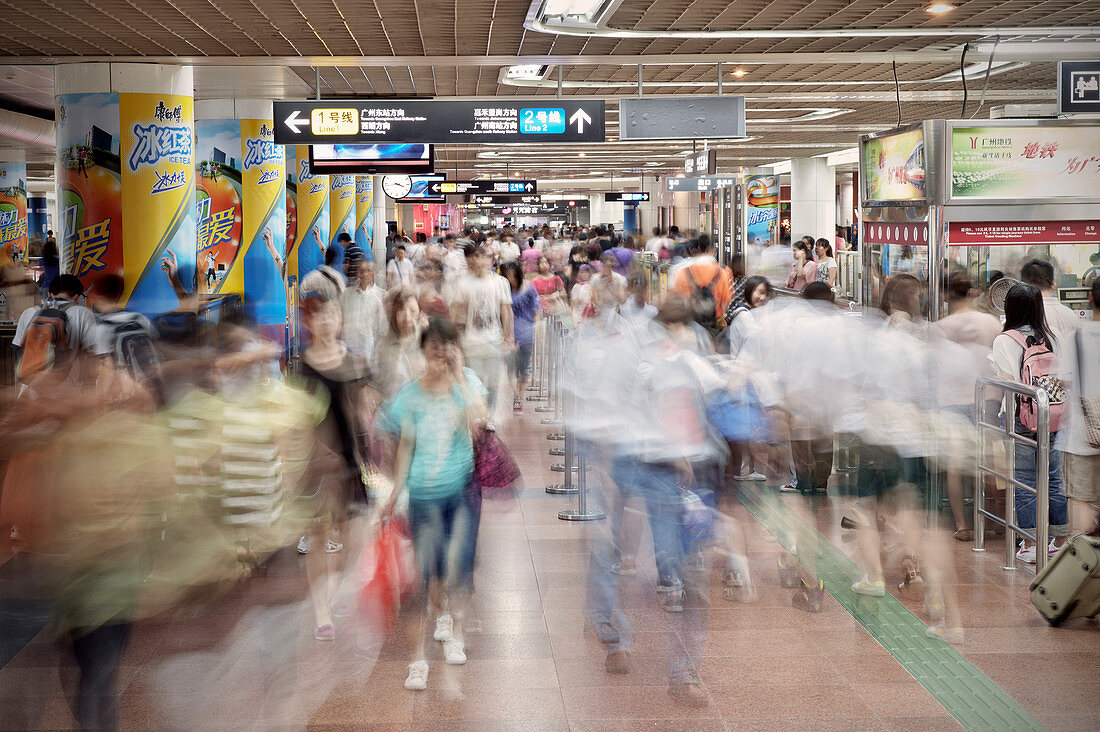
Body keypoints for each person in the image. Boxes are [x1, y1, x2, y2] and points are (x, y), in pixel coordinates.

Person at [378, 316, 488, 692]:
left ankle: (456, 630)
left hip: (463, 492)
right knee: (425, 577)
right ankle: (417, 659)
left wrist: (458, 378)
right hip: (424, 494)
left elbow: (480, 423)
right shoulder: (410, 395)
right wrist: (396, 491)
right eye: (433, 345)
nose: (440, 351)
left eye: (447, 344)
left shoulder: (468, 383)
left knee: (460, 567)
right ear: (423, 349)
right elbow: (405, 444)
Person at [295, 270, 373, 639]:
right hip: (315, 464)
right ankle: (321, 608)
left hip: (350, 461)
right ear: (309, 320)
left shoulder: (354, 361)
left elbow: (364, 410)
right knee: (316, 537)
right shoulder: (301, 366)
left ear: (339, 319)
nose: (326, 321)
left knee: (349, 534)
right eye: (319, 315)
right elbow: (295, 419)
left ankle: (336, 588)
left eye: (332, 315)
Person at [991, 283, 1070, 563]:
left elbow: (1007, 383)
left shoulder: (1004, 340)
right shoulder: (1053, 337)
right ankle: (1060, 540)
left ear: (1009, 308)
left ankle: (1030, 543)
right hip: (1055, 418)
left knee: (1024, 480)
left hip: (1020, 420)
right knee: (1054, 479)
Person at [933, 274, 1002, 540]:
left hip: (952, 400)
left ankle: (962, 525)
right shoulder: (990, 322)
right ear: (972, 292)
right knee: (988, 461)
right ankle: (997, 520)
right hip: (988, 397)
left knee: (955, 464)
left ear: (945, 296)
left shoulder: (941, 327)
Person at [449, 245, 514, 422]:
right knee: (475, 381)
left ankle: (489, 417)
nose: (478, 261)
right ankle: (478, 417)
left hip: (494, 339)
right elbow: (455, 310)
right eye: (475, 257)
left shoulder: (500, 282)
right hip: (471, 340)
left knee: (493, 383)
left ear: (489, 260)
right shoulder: (464, 283)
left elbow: (506, 309)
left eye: (482, 257)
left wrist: (509, 335)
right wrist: (452, 337)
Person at [13, 274, 100, 390]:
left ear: (49, 293)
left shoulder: (29, 312)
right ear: (77, 297)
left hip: (30, 391)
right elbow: (92, 354)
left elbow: (16, 349)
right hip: (66, 393)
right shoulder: (82, 313)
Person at [1066, 279, 1100, 533]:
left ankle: (1086, 567)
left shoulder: (1077, 336)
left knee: (1080, 499)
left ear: (1090, 298)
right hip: (1080, 437)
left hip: (1082, 436)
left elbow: (1062, 379)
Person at [670, 236, 732, 331]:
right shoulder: (722, 273)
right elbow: (726, 301)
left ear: (698, 249)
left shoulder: (682, 271)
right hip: (714, 326)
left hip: (689, 326)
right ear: (711, 249)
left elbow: (676, 300)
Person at [502, 261, 540, 412]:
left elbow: (536, 309)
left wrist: (537, 328)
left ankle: (520, 395)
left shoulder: (529, 288)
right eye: (507, 275)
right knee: (510, 368)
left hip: (527, 334)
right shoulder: (504, 291)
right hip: (509, 335)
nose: (510, 278)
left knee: (523, 368)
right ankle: (516, 395)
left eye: (512, 275)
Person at [340, 254, 387, 360]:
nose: (365, 274)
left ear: (373, 273)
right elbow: (340, 317)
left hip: (368, 350)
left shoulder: (380, 295)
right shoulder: (347, 295)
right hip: (348, 347)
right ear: (357, 273)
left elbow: (381, 327)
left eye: (368, 271)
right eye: (361, 271)